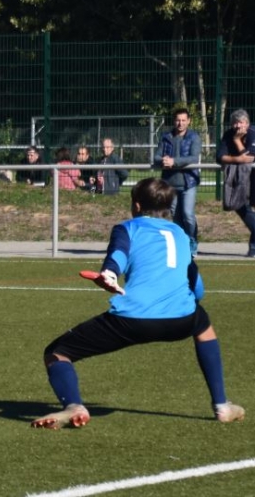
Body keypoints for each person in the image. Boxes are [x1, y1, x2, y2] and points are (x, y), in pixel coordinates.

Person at [32, 177, 245, 429]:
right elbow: (196, 284)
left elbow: (118, 254)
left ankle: (74, 406)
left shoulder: (128, 228)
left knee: (57, 353)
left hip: (132, 320)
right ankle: (222, 405)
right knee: (203, 323)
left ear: (136, 205)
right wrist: (187, 304)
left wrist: (110, 274)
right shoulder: (180, 233)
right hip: (181, 320)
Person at [153, 108, 201, 255]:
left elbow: (194, 157)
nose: (180, 123)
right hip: (170, 183)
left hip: (188, 182)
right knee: (175, 215)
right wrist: (163, 160)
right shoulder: (166, 137)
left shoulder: (194, 137)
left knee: (188, 214)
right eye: (178, 120)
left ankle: (192, 240)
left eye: (183, 120)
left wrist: (174, 162)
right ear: (174, 121)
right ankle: (183, 241)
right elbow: (156, 157)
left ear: (188, 121)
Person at [215, 109, 255, 257]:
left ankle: (253, 248)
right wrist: (237, 159)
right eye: (235, 123)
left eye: (241, 122)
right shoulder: (228, 135)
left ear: (247, 123)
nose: (238, 126)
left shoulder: (253, 133)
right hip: (239, 178)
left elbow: (250, 157)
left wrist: (237, 141)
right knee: (240, 206)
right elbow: (220, 157)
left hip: (253, 176)